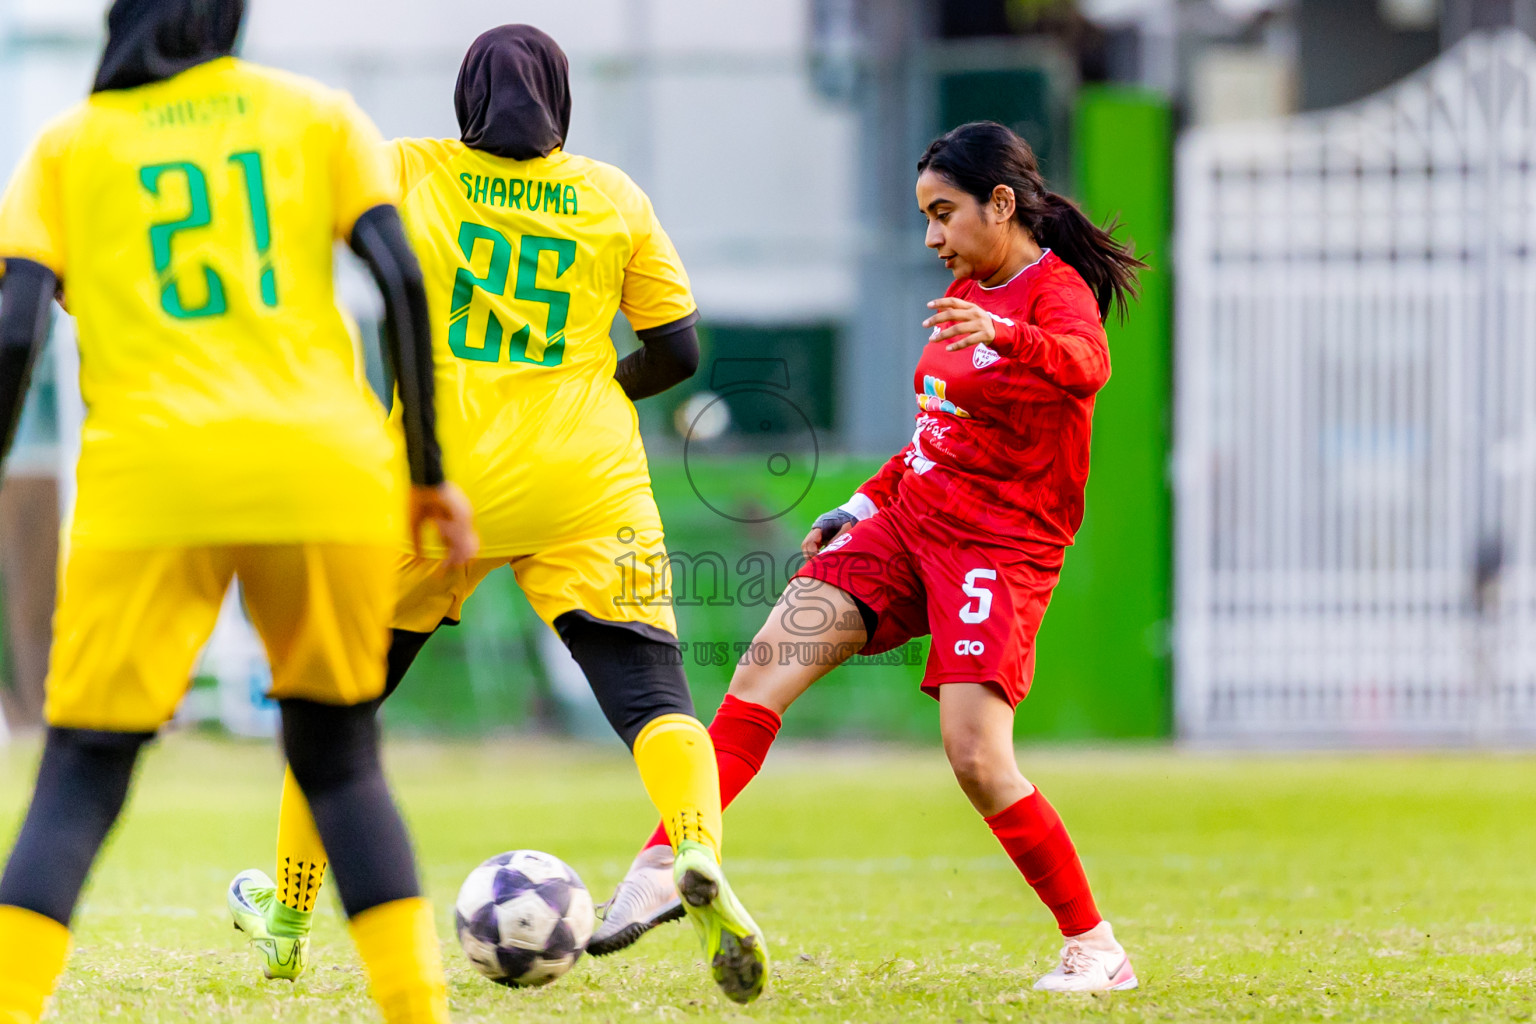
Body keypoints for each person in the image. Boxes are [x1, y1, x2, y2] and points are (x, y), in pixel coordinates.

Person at [224, 24, 767, 1005]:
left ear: (467, 98)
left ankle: (289, 921)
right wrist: (593, 383)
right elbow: (678, 351)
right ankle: (694, 851)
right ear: (562, 101)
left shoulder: (407, 168)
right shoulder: (613, 196)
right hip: (585, 477)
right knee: (651, 696)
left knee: (333, 713)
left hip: (433, 480)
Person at [0, 1, 479, 1022]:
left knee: (83, 769)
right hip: (326, 471)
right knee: (341, 759)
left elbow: (12, 331)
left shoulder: (69, 148)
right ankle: (417, 1010)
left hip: (152, 481)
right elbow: (401, 281)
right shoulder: (319, 116)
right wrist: (428, 471)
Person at [594, 120, 1146, 993]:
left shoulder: (1052, 291)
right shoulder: (965, 300)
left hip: (997, 551)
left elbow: (1088, 366)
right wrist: (862, 502)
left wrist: (1002, 336)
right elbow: (938, 434)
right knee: (760, 675)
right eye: (925, 216)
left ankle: (1095, 947)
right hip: (906, 524)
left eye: (943, 214)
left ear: (1001, 205)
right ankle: (664, 867)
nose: (931, 237)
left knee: (976, 758)